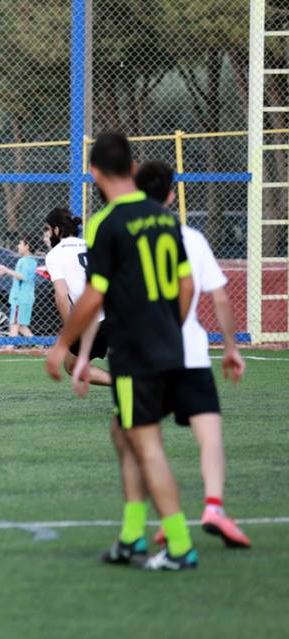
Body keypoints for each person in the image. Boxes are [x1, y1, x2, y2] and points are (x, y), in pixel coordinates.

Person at [46, 131, 198, 571]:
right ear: (132, 168)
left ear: (94, 173)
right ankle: (132, 535)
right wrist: (167, 328)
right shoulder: (164, 217)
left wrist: (62, 346)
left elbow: (94, 295)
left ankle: (181, 545)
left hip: (136, 352)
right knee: (123, 432)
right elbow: (187, 286)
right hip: (166, 345)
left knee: (146, 445)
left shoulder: (106, 223)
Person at [131, 160, 250, 548]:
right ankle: (214, 506)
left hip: (147, 355)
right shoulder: (192, 238)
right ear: (170, 195)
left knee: (149, 443)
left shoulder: (127, 238)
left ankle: (170, 517)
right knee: (209, 435)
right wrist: (231, 348)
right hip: (192, 353)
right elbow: (220, 299)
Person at [43, 207, 111, 387]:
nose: (47, 234)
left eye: (47, 229)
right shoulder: (91, 245)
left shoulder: (55, 255)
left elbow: (61, 295)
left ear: (56, 230)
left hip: (95, 319)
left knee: (73, 367)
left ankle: (127, 384)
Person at [0, 235, 36, 338]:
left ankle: (10, 346)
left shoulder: (25, 261)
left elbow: (23, 276)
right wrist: (5, 272)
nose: (18, 246)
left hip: (20, 298)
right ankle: (38, 344)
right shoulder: (30, 261)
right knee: (20, 325)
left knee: (14, 324)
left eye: (20, 244)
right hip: (24, 298)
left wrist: (6, 270)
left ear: (27, 246)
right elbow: (20, 275)